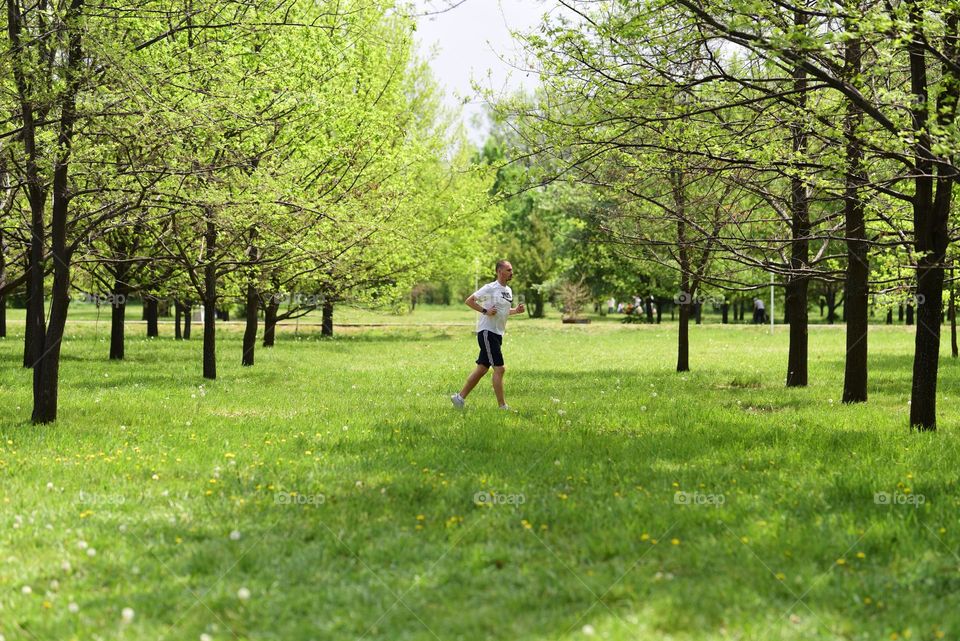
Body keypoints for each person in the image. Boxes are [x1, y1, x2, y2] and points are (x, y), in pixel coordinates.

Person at [451, 260, 525, 410]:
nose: (512, 272)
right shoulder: (490, 288)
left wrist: (515, 311)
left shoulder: (508, 291)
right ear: (499, 271)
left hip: (497, 333)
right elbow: (469, 301)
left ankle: (459, 398)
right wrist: (485, 311)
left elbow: (503, 311)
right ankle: (502, 406)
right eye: (509, 270)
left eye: (512, 270)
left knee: (482, 369)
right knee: (500, 369)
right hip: (487, 332)